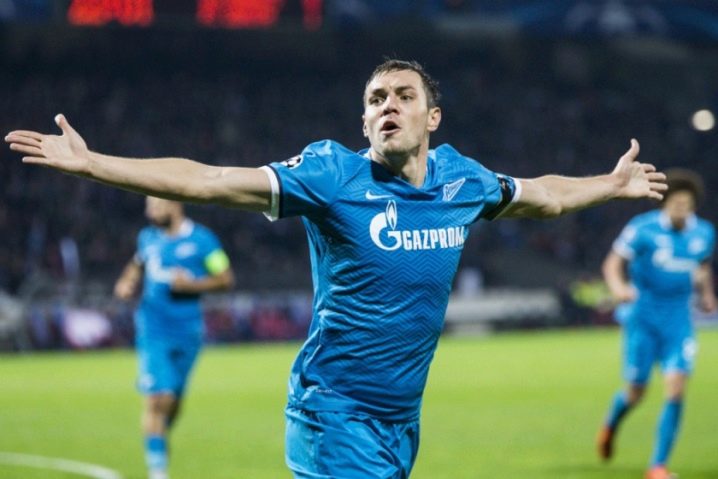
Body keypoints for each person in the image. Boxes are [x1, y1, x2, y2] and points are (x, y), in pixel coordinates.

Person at [6, 59, 667, 478]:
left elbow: (545, 196)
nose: (388, 105)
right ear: (364, 120)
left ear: (432, 117)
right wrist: (95, 164)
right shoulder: (331, 174)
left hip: (401, 420)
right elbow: (209, 179)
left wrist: (610, 186)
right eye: (376, 98)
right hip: (333, 412)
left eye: (403, 95)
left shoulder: (462, 180)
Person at [596, 169, 715, 479]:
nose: (681, 210)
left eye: (686, 205)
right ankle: (611, 424)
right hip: (643, 320)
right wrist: (619, 288)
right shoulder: (643, 228)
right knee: (636, 392)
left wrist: (707, 295)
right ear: (665, 203)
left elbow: (702, 266)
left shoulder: (704, 233)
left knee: (676, 390)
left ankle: (658, 466)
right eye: (676, 204)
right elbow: (612, 263)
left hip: (679, 321)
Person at [113, 196, 235, 479]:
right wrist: (126, 282)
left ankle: (156, 439)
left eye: (155, 205)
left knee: (173, 404)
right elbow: (136, 265)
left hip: (188, 332)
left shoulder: (203, 240)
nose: (150, 211)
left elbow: (225, 278)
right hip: (153, 329)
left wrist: (192, 285)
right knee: (159, 398)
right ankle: (158, 472)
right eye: (148, 206)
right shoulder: (148, 238)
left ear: (175, 203)